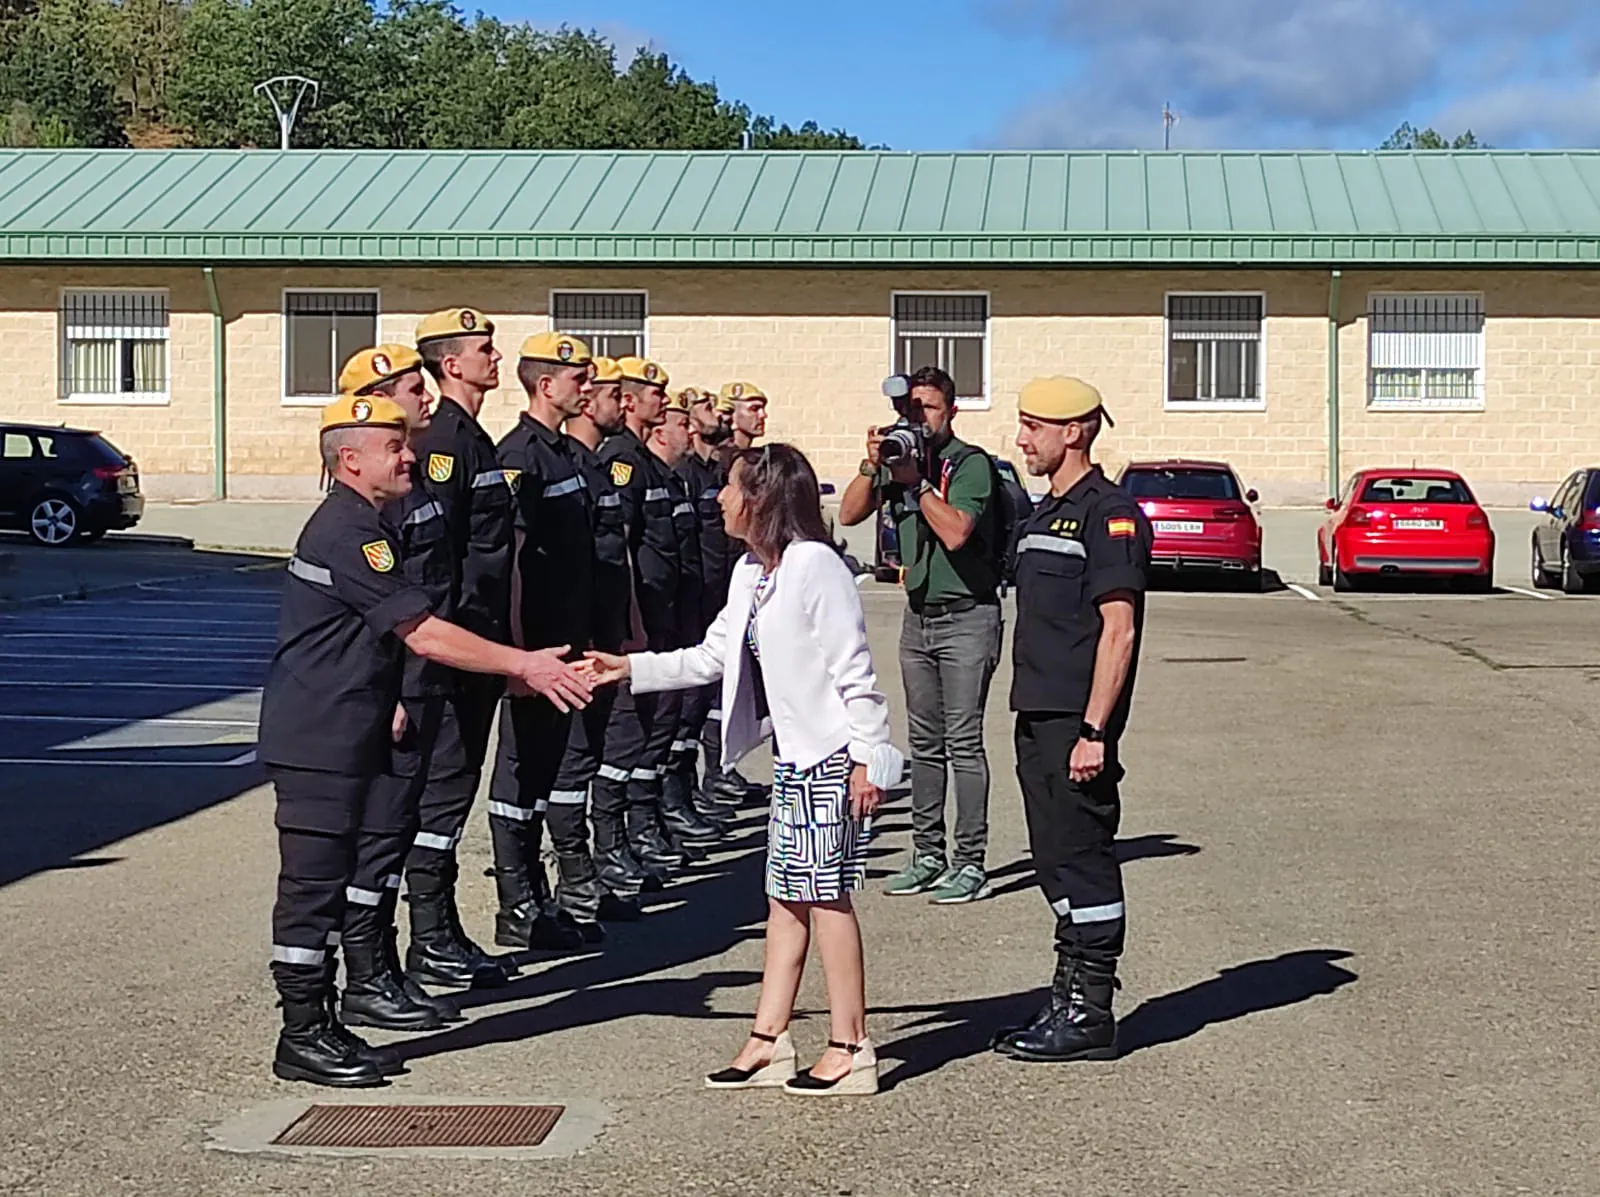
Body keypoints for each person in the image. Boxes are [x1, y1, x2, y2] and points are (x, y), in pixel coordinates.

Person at [260, 391, 591, 1088]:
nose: (409, 453)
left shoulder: (369, 522)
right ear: (351, 459)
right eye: (393, 446)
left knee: (350, 868)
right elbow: (425, 631)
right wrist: (520, 663)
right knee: (312, 886)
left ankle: (329, 1016)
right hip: (320, 735)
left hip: (352, 724)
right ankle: (301, 1032)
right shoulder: (348, 530)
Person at [584, 444, 903, 1097]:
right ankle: (768, 1038)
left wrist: (870, 758)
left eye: (731, 488)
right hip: (792, 761)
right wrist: (630, 669)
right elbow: (713, 656)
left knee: (827, 897)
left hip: (831, 757)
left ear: (762, 497)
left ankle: (851, 1045)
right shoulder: (750, 572)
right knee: (785, 898)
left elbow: (855, 671)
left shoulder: (817, 565)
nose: (720, 498)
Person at [991, 377, 1151, 1064]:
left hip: (1074, 724)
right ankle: (1068, 994)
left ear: (1076, 431)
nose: (1023, 438)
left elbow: (1120, 630)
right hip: (1037, 713)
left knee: (1083, 861)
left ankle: (1092, 1008)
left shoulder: (1108, 513)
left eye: (1034, 426)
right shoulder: (1043, 512)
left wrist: (1094, 731)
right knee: (1053, 861)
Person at [333, 346, 479, 1039]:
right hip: (403, 682)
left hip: (434, 676)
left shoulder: (411, 483)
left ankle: (408, 954)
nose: (425, 398)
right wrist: (386, 690)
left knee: (422, 817)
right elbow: (380, 611)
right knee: (380, 831)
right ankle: (367, 975)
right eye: (410, 390)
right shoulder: (370, 507)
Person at [836, 365, 1006, 906]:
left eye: (928, 408)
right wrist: (874, 463)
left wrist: (919, 484)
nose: (918, 418)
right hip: (919, 616)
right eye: (911, 409)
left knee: (964, 743)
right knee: (924, 745)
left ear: (951, 412)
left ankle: (970, 860)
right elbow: (849, 512)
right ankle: (926, 853)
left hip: (967, 616)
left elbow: (957, 532)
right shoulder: (899, 458)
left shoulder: (970, 464)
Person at [403, 307, 514, 987]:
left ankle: (443, 929)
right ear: (452, 365)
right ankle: (430, 935)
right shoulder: (445, 442)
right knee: (441, 795)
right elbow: (439, 562)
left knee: (457, 788)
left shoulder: (474, 437)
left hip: (482, 642)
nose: (493, 358)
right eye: (483, 349)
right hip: (454, 649)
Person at [485, 331, 598, 954]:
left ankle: (538, 898)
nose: (584, 385)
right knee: (521, 769)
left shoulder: (565, 453)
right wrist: (519, 654)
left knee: (547, 767)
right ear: (544, 384)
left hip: (567, 633)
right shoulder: (520, 454)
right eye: (574, 376)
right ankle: (517, 904)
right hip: (536, 641)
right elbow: (513, 555)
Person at [550, 355, 644, 930]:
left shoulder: (588, 464)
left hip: (602, 632)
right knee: (564, 764)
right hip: (563, 641)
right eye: (607, 392)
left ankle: (587, 872)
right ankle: (568, 882)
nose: (619, 402)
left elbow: (621, 556)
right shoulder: (550, 459)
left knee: (590, 754)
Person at [594, 357, 687, 884]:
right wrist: (631, 624)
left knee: (653, 729)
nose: (662, 401)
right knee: (627, 734)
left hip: (666, 614)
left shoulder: (650, 465)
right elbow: (623, 548)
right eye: (654, 393)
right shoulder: (623, 460)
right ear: (630, 400)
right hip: (639, 621)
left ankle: (639, 828)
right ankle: (613, 842)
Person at [653, 389, 722, 854]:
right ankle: (665, 808)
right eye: (681, 421)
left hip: (700, 603)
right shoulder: (663, 475)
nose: (690, 429)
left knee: (691, 710)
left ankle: (683, 798)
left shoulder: (683, 477)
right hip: (666, 615)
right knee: (665, 717)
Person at [673, 387, 738, 830]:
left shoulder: (716, 469)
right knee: (678, 708)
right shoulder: (683, 473)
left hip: (716, 594)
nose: (723, 417)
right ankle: (677, 800)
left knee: (707, 700)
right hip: (686, 604)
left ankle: (709, 780)